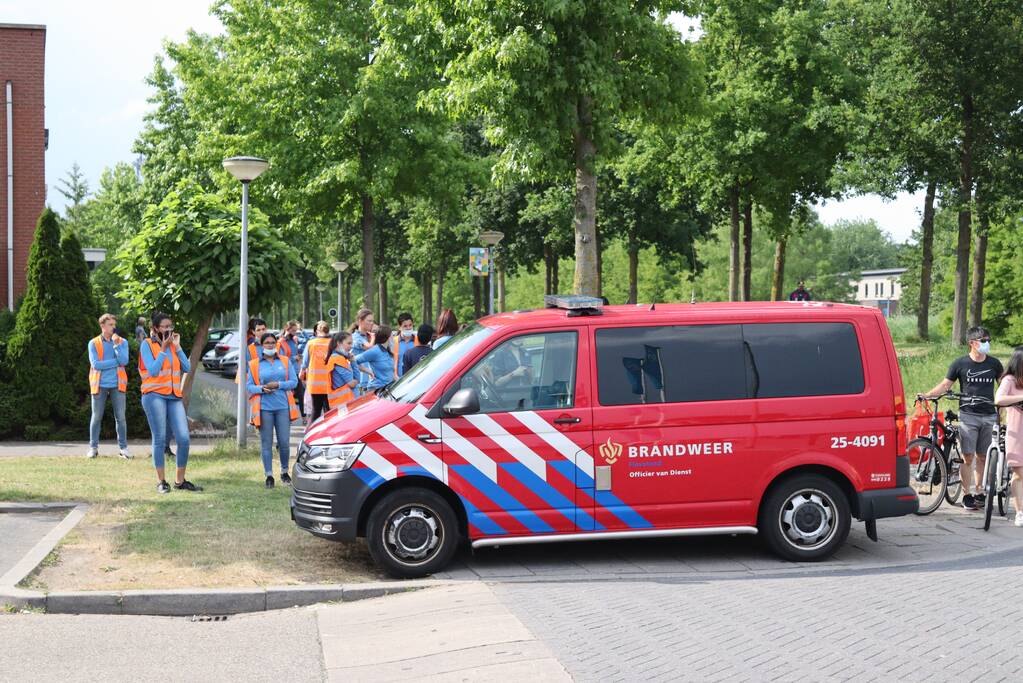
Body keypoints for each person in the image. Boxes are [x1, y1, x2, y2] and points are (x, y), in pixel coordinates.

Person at [923, 326, 1003, 510]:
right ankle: (967, 495)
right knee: (968, 456)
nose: (987, 343)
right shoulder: (960, 364)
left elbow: (1004, 386)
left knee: (982, 456)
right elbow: (945, 385)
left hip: (989, 415)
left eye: (988, 340)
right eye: (983, 340)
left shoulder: (995, 364)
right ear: (972, 343)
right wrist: (927, 395)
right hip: (968, 416)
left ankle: (980, 492)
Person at [139, 313, 201, 494]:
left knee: (184, 438)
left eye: (170, 326)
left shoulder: (173, 345)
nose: (168, 329)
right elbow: (153, 370)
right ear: (155, 328)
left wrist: (178, 347)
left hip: (174, 396)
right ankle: (161, 482)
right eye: (165, 326)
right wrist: (164, 348)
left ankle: (180, 481)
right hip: (154, 395)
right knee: (159, 438)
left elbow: (187, 368)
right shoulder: (147, 345)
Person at [247, 332, 299, 488]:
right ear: (262, 345)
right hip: (264, 408)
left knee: (284, 442)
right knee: (266, 443)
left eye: (272, 342)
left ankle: (284, 472)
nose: (270, 345)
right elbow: (249, 386)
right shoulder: (254, 364)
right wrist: (261, 389)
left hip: (283, 407)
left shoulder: (285, 361)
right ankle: (269, 475)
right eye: (267, 343)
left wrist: (279, 385)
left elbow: (294, 382)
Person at [87, 313, 130, 459]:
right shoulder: (93, 343)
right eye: (110, 325)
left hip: (118, 384)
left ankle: (123, 449)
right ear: (102, 326)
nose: (114, 327)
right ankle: (93, 448)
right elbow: (96, 365)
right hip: (99, 385)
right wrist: (116, 362)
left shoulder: (122, 342)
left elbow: (124, 361)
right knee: (96, 417)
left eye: (114, 324)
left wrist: (116, 346)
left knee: (121, 418)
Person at [995, 346, 1023, 527]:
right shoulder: (1010, 380)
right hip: (1017, 433)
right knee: (1020, 473)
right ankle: (1020, 512)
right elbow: (999, 399)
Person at [301, 321, 333, 422]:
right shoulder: (332, 343)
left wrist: (302, 374)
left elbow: (305, 363)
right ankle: (329, 430)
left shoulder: (311, 343)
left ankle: (312, 430)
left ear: (317, 331)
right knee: (329, 411)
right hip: (330, 383)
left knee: (316, 411)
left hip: (314, 383)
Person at [355, 326, 396, 393]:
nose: (394, 338)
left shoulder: (388, 351)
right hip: (376, 390)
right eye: (392, 335)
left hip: (387, 390)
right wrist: (368, 371)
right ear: (387, 337)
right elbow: (354, 360)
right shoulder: (375, 351)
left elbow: (391, 373)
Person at [277, 320, 304, 417]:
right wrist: (294, 358)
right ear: (287, 329)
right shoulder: (280, 342)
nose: (295, 333)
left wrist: (302, 330)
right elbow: (281, 358)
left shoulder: (294, 340)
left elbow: (306, 340)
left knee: (301, 394)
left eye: (296, 331)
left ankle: (303, 416)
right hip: (286, 372)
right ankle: (286, 416)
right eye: (293, 330)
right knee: (288, 395)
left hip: (296, 371)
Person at [326, 331, 359, 410]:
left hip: (344, 402)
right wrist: (355, 381)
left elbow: (357, 380)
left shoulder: (341, 358)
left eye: (351, 343)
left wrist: (353, 361)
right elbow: (352, 383)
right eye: (349, 343)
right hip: (344, 403)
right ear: (339, 343)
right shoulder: (338, 359)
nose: (351, 346)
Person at [351, 309, 375, 393]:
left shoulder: (368, 337)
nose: (372, 323)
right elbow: (369, 347)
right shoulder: (355, 337)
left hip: (370, 382)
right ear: (360, 321)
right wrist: (373, 337)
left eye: (372, 321)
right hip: (360, 383)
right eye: (369, 321)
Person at [392, 312, 416, 378]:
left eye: (410, 325)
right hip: (398, 379)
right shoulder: (393, 342)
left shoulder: (418, 341)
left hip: (415, 379)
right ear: (399, 327)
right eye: (405, 326)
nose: (408, 328)